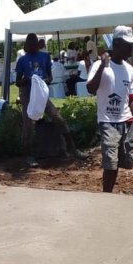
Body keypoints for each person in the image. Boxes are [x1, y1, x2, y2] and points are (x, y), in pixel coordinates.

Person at [15, 33, 86, 168]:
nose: (30, 48)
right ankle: (28, 155)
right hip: (27, 93)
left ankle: (73, 149)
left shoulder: (45, 57)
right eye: (28, 46)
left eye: (33, 45)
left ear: (37, 45)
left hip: (40, 93)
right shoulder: (22, 60)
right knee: (28, 124)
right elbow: (18, 82)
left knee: (57, 117)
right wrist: (28, 80)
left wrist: (42, 81)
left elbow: (50, 77)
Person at [86, 26, 133, 193]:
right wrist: (102, 66)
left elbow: (131, 97)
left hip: (126, 121)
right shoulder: (100, 65)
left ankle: (109, 193)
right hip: (108, 121)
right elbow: (90, 88)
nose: (131, 49)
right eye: (127, 45)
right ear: (116, 44)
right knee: (110, 161)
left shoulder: (129, 69)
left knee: (122, 161)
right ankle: (106, 195)